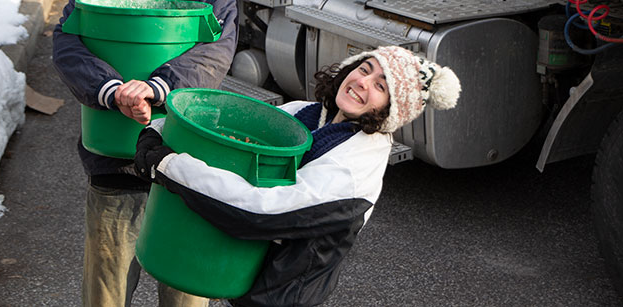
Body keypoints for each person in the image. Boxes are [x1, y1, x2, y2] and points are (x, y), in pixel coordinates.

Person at [134, 45, 462, 307]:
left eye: (380, 86)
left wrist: (169, 165)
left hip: (282, 298)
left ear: (391, 110)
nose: (363, 81)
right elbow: (231, 141)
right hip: (246, 281)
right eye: (365, 68)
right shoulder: (305, 113)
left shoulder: (352, 169)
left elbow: (257, 210)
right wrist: (160, 129)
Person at [52, 0, 238, 307]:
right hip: (116, 169)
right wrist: (114, 90)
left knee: (186, 295)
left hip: (185, 167)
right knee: (106, 295)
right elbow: (66, 43)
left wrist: (157, 88)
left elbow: (217, 50)